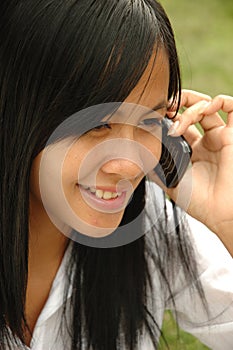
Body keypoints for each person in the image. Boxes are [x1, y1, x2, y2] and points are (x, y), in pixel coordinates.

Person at [0, 0, 232, 349]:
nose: (128, 165)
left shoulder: (148, 217)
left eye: (149, 122)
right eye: (97, 123)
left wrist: (228, 223)